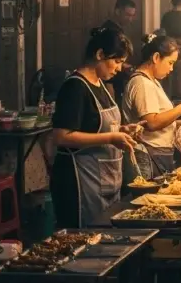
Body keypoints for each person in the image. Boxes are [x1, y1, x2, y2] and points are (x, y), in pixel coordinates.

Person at [52, 27, 138, 228]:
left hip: (106, 179)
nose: (119, 68)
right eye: (116, 61)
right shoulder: (74, 87)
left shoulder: (101, 85)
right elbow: (61, 136)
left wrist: (122, 131)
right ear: (100, 54)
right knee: (84, 241)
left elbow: (97, 127)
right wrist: (110, 138)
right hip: (79, 181)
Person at [122, 34, 181, 178]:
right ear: (156, 57)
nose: (171, 69)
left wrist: (180, 123)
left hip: (160, 153)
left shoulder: (151, 82)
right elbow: (152, 123)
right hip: (151, 154)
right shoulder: (142, 83)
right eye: (170, 62)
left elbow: (159, 119)